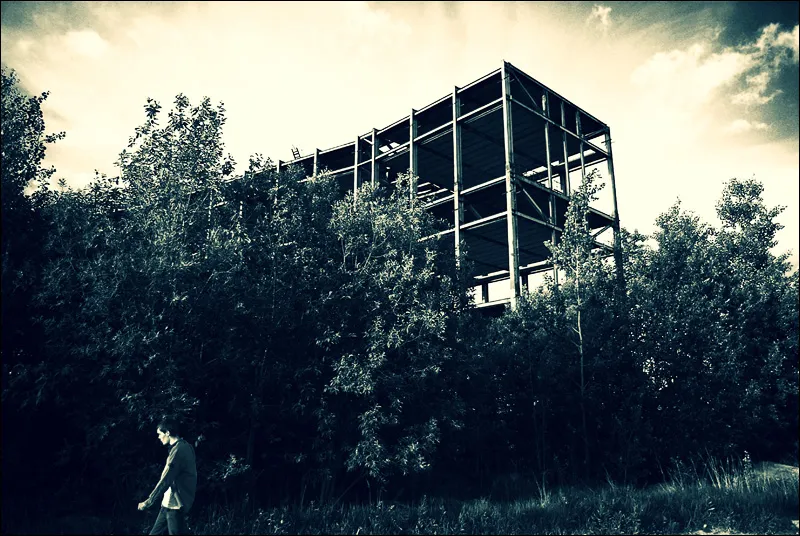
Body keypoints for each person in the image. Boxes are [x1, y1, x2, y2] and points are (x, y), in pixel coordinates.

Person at [138, 417, 197, 535]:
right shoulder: (185, 446)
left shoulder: (178, 451)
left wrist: (148, 502)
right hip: (168, 504)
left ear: (168, 433)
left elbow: (166, 480)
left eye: (160, 434)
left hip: (175, 506)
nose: (159, 437)